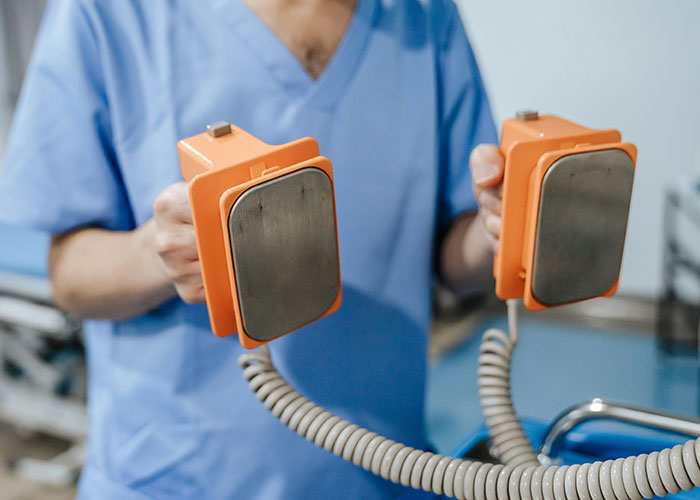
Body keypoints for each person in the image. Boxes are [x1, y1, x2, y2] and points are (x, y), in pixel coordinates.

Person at [0, 0, 505, 498]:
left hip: (386, 468)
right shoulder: (109, 14)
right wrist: (159, 252)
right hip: (180, 479)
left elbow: (452, 258)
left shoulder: (423, 15)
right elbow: (69, 277)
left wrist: (498, 231)